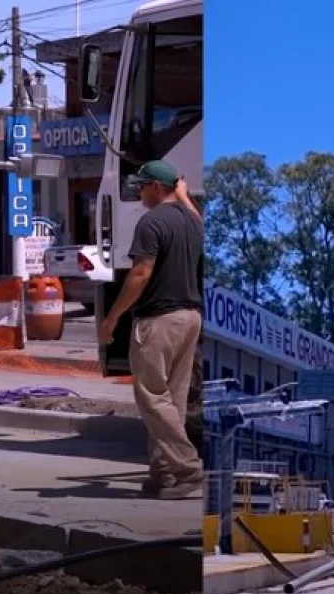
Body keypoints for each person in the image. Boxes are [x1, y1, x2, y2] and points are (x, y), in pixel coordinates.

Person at [98, 160, 204, 499]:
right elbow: (198, 221)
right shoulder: (190, 221)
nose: (138, 192)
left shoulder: (151, 222)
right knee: (171, 400)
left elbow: (141, 273)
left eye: (142, 186)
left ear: (157, 188)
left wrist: (112, 318)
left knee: (153, 399)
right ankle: (163, 475)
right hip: (190, 319)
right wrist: (185, 196)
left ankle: (188, 469)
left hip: (159, 320)